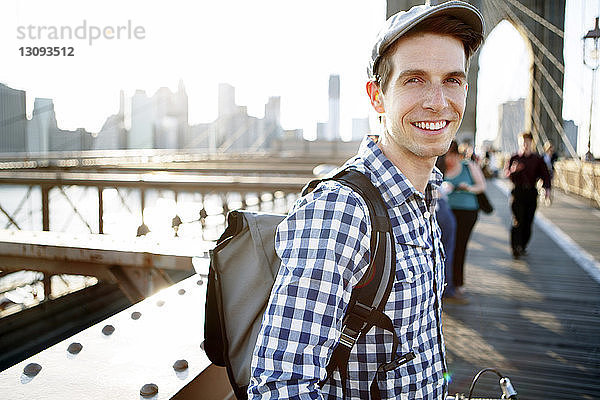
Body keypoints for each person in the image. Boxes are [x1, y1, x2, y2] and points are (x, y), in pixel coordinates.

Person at [249, 2, 484, 398]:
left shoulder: (423, 197)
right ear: (377, 97)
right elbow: (280, 387)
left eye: (452, 80)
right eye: (414, 80)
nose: (438, 101)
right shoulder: (342, 212)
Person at [443, 140, 486, 294]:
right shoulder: (439, 167)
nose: (449, 160)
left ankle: (458, 283)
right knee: (445, 247)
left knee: (460, 246)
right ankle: (444, 283)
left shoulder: (469, 166)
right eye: (446, 156)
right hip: (447, 211)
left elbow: (481, 186)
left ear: (457, 155)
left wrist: (468, 188)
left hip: (467, 212)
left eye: (452, 155)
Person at [505, 132, 551, 258]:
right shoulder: (514, 158)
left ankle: (523, 246)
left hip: (531, 193)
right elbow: (507, 175)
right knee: (517, 220)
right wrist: (514, 170)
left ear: (531, 143)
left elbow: (545, 175)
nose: (525, 145)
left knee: (528, 222)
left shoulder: (537, 159)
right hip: (517, 192)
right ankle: (515, 248)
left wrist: (547, 189)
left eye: (527, 143)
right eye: (523, 143)